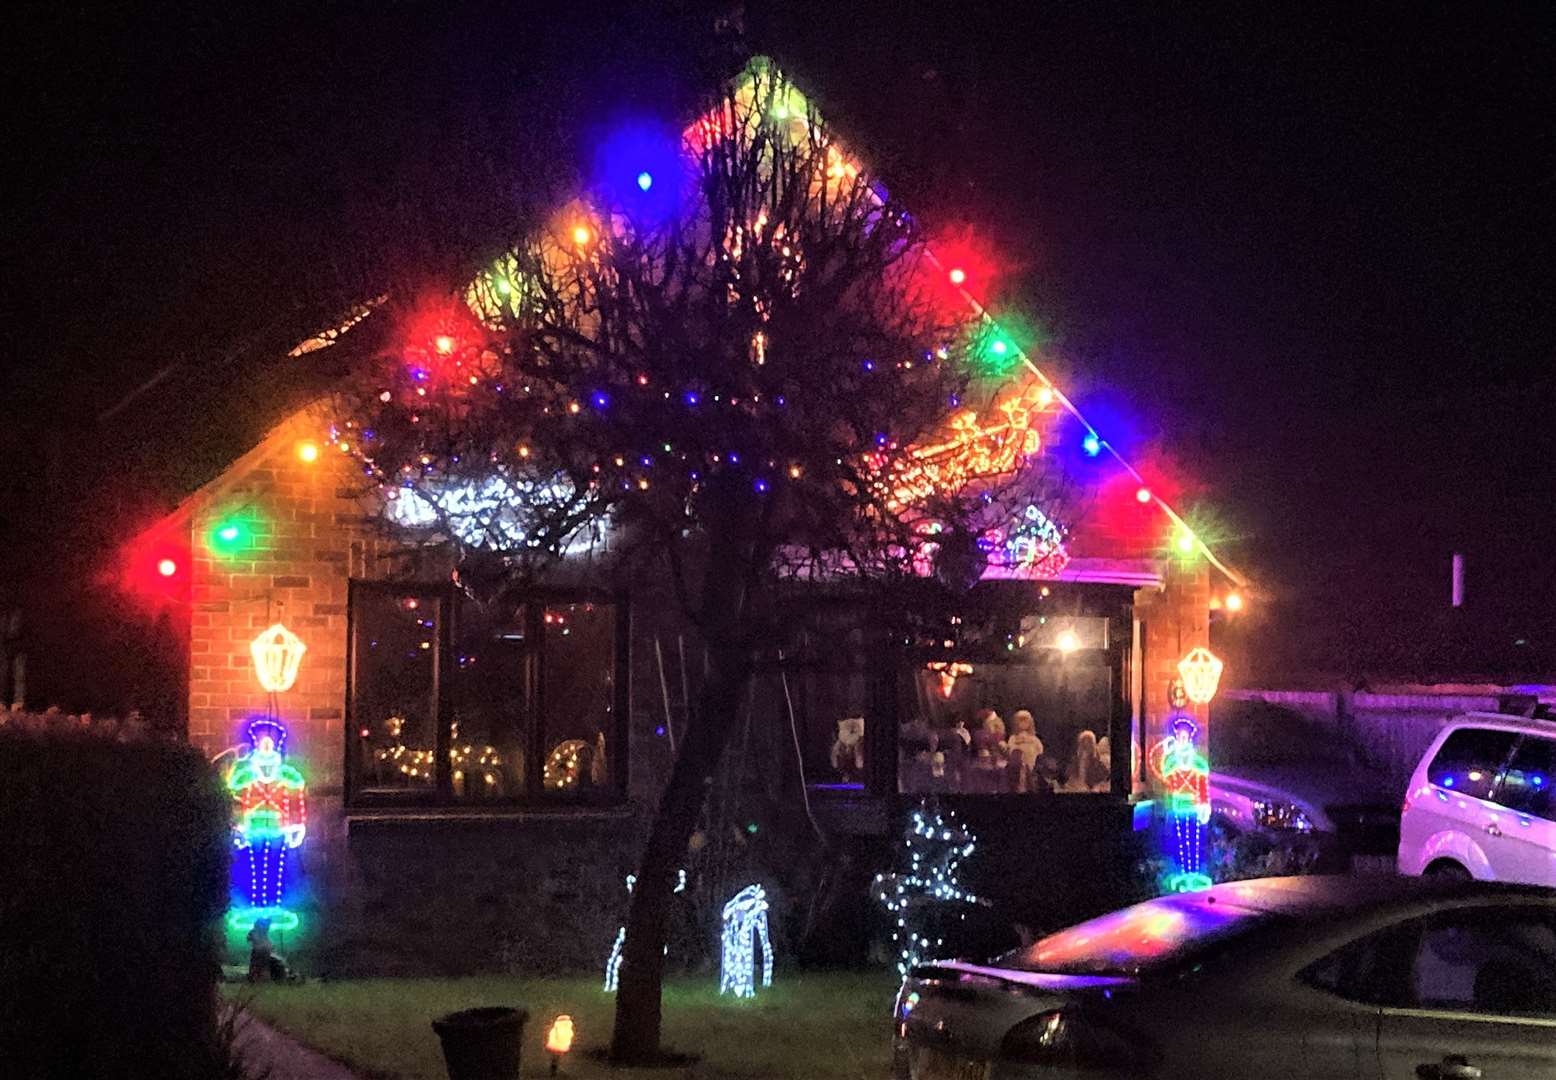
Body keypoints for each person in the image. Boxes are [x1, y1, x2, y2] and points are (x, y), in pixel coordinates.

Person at [1006, 710, 1045, 792]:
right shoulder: (1013, 738)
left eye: (1026, 722)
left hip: (1031, 766)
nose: (1023, 724)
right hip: (1017, 767)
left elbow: (1040, 750)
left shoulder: (1034, 739)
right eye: (1020, 722)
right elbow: (1010, 750)